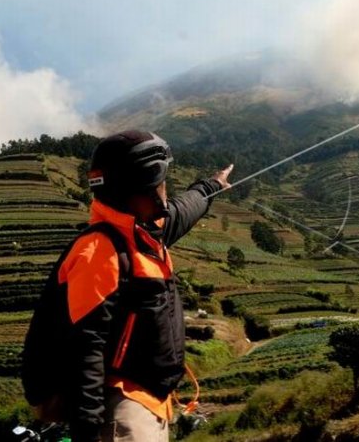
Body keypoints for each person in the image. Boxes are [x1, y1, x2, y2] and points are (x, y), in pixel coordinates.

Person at [54, 130, 232, 442]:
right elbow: (85, 348)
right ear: (144, 185)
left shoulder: (142, 235)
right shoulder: (99, 252)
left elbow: (184, 209)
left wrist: (212, 185)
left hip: (150, 403)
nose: (167, 188)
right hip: (124, 409)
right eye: (163, 179)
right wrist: (88, 431)